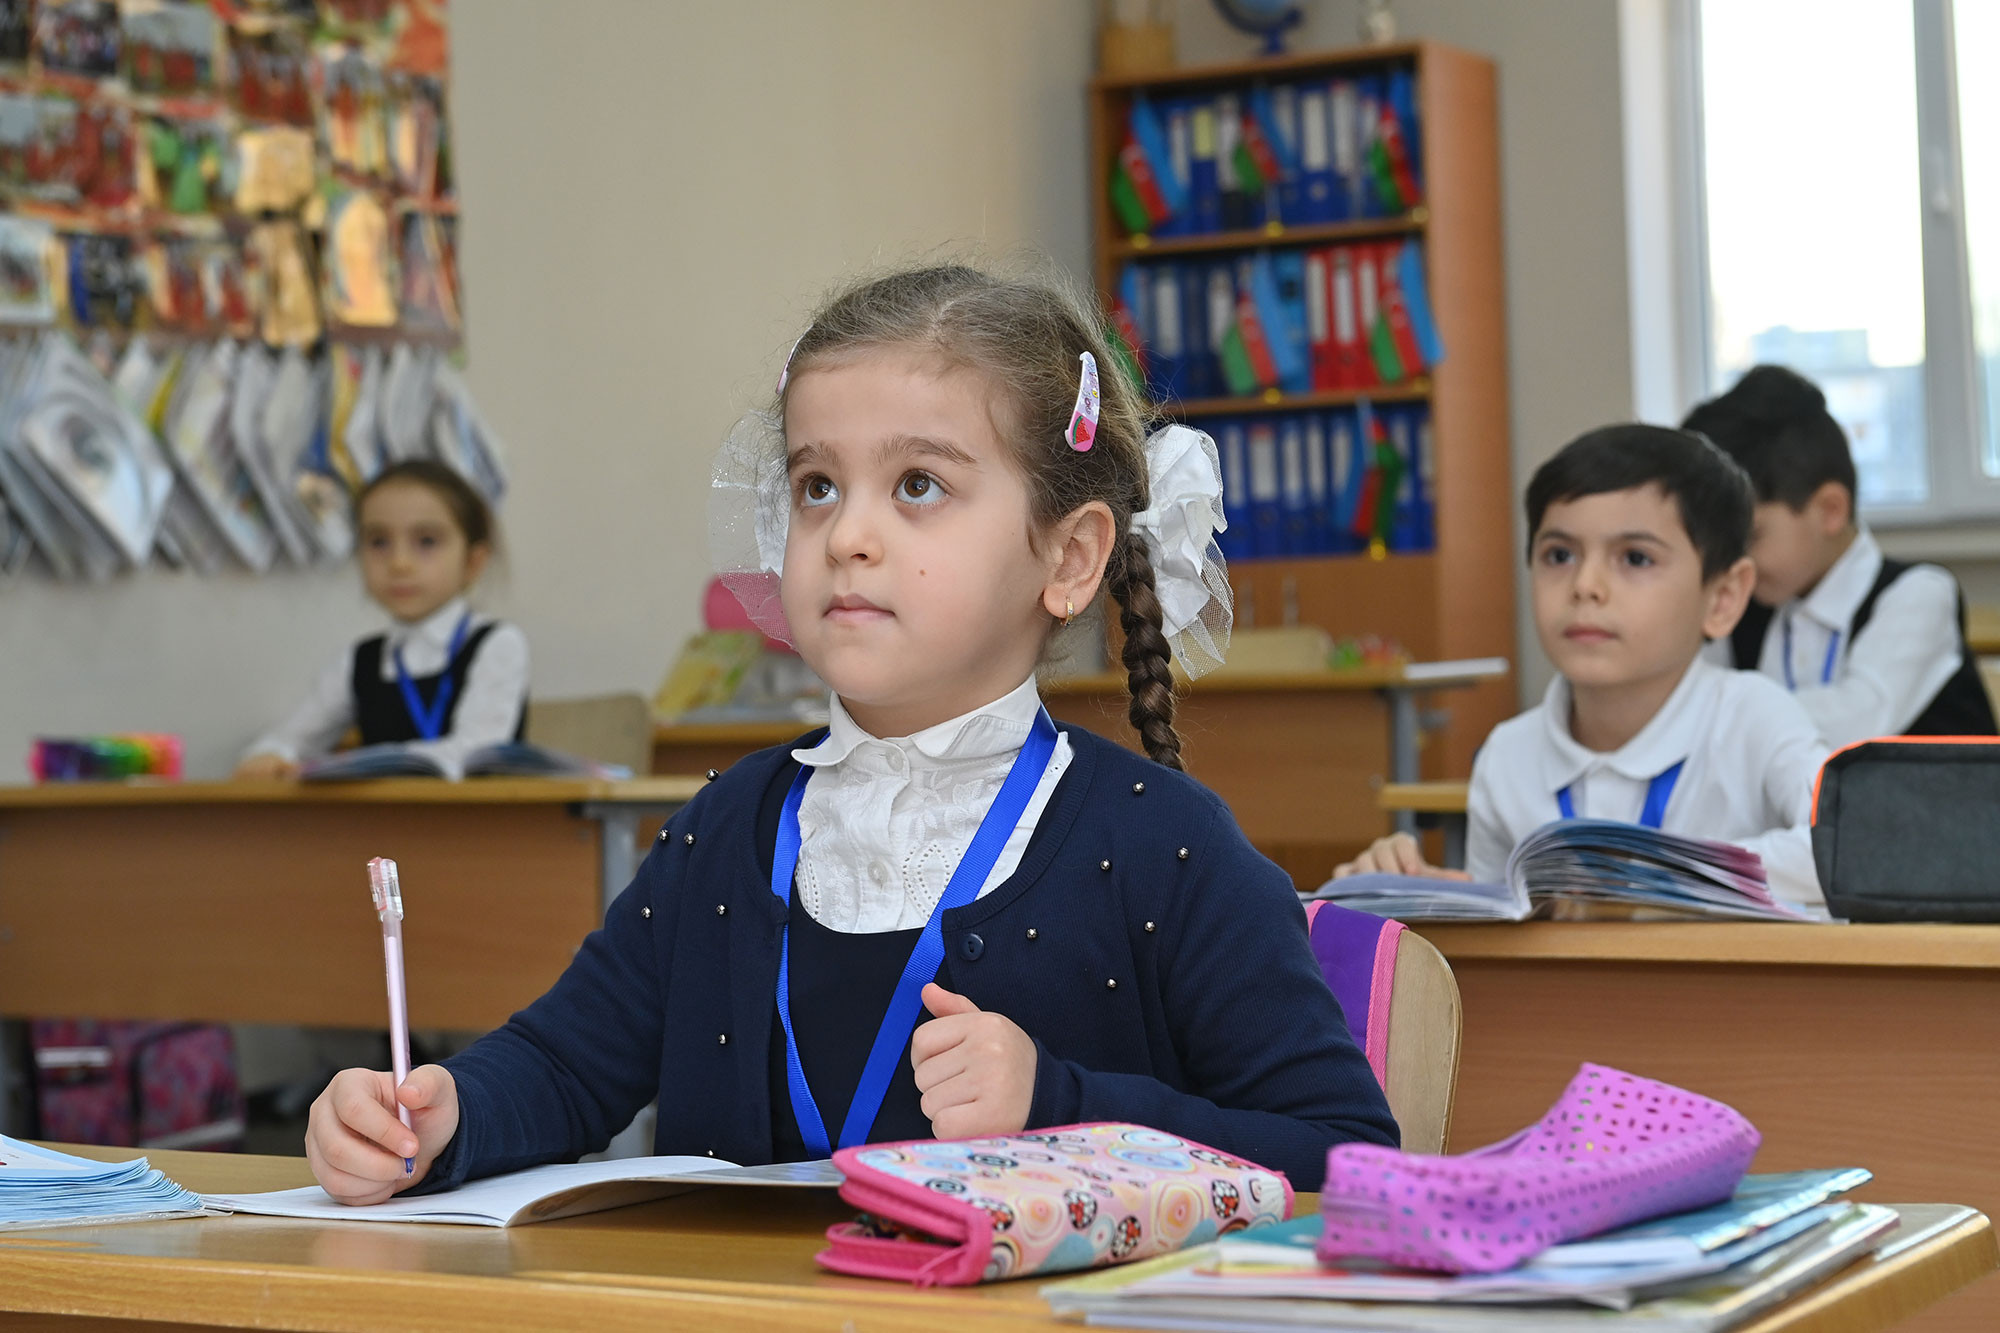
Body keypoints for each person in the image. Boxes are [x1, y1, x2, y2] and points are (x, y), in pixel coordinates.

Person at [303, 264, 1398, 1204]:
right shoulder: (727, 827)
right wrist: (443, 1114)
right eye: (816, 485)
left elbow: (1339, 1152)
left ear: (1067, 559)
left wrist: (1057, 1103)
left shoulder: (1165, 846)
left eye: (916, 484)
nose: (848, 536)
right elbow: (564, 1064)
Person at [1334, 425, 1828, 906]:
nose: (1585, 585)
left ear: (1722, 597)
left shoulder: (1754, 717)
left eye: (1635, 558)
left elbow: (1841, 848)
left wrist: (1642, 878)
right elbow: (1506, 930)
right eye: (1560, 554)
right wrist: (1409, 888)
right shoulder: (1508, 755)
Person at [1682, 365, 1996, 745]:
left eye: (1749, 537)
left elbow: (1858, 719)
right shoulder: (1749, 600)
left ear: (1830, 510)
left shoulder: (1918, 595)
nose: (1730, 562)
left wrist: (1712, 713)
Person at [235, 460, 527, 779]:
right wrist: (270, 755)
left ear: (473, 562)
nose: (399, 563)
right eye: (378, 542)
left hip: (481, 826)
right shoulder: (359, 659)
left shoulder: (498, 644)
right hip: (382, 827)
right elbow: (288, 738)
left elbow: (474, 752)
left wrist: (366, 762)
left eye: (426, 541)